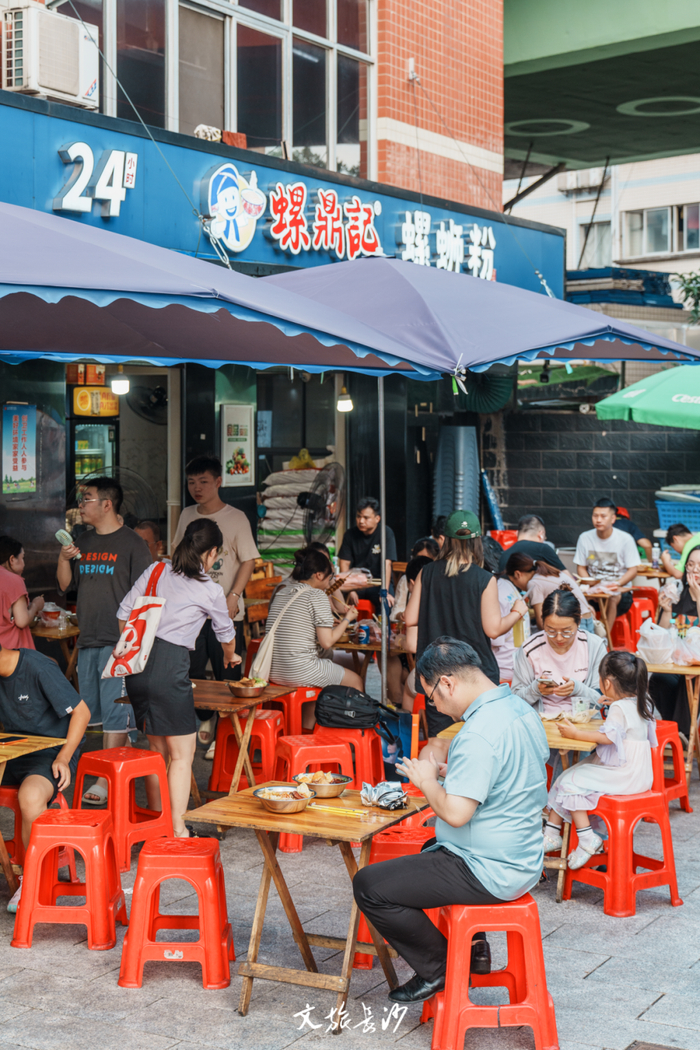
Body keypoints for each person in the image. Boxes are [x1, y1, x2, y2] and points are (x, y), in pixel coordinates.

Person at [352, 637, 549, 1004]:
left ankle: (441, 967)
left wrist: (426, 780)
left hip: (489, 868)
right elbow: (509, 775)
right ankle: (475, 948)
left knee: (369, 885)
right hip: (524, 855)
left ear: (447, 683)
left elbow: (456, 815)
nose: (436, 707)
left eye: (433, 697)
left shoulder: (477, 733)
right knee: (428, 849)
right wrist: (453, 774)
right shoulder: (519, 709)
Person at [117, 518, 239, 837]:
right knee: (182, 756)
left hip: (138, 666)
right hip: (171, 667)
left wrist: (134, 650)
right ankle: (178, 830)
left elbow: (124, 615)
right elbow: (226, 633)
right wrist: (230, 656)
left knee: (156, 750)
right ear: (212, 553)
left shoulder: (156, 570)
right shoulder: (209, 589)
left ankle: (158, 826)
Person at [56, 477, 151, 806]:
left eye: (87, 499)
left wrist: (132, 642)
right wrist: (64, 558)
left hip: (119, 643)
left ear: (107, 504)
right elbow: (66, 586)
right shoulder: (82, 540)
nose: (81, 505)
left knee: (115, 716)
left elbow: (145, 598)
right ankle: (112, 765)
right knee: (92, 714)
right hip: (88, 639)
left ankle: (105, 779)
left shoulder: (133, 544)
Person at [405, 510, 528, 741]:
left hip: (437, 670)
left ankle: (424, 767)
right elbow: (493, 629)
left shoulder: (426, 572)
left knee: (439, 741)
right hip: (474, 673)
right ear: (477, 542)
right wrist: (517, 612)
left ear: (446, 540)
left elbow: (410, 618)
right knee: (479, 738)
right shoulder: (484, 579)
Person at [172, 455, 259, 748]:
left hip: (226, 609)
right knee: (192, 671)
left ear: (218, 482)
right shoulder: (186, 515)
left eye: (204, 482)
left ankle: (225, 733)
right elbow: (177, 555)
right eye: (191, 482)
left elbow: (248, 560)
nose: (196, 488)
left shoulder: (236, 518)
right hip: (191, 613)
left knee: (228, 673)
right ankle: (205, 717)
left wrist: (234, 595)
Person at [543, 650, 655, 870]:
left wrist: (576, 734)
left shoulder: (619, 708)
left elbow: (607, 737)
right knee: (568, 776)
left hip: (624, 775)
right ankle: (552, 833)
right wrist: (612, 703)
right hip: (640, 774)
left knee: (570, 781)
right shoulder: (643, 701)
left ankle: (586, 839)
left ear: (607, 683)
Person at [0, 642, 91, 912]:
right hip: (14, 750)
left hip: (52, 752)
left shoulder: (37, 667)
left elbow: (82, 712)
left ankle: (31, 880)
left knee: (30, 796)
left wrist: (63, 757)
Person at [265, 547, 363, 728]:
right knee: (356, 681)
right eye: (329, 577)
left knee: (318, 682)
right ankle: (353, 735)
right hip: (299, 670)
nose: (330, 582)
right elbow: (327, 642)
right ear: (318, 575)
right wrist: (347, 619)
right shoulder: (316, 595)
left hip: (274, 670)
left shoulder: (283, 591)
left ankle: (306, 731)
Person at [512, 587, 607, 716]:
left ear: (579, 621)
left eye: (567, 632)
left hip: (585, 722)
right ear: (542, 621)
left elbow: (602, 700)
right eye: (550, 631)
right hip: (541, 722)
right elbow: (515, 700)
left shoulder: (594, 647)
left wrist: (578, 689)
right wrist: (535, 689)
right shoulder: (529, 649)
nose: (559, 638)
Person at [649, 546, 700, 739]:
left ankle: (681, 733)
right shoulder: (677, 593)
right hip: (676, 664)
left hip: (696, 670)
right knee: (658, 680)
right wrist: (667, 610)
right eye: (691, 565)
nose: (695, 570)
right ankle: (677, 733)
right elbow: (661, 636)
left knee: (690, 681)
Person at [575, 497, 641, 630]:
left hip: (620, 594)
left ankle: (603, 637)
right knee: (575, 598)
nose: (598, 520)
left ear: (613, 519)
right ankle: (584, 634)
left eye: (603, 516)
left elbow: (633, 570)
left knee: (612, 598)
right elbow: (581, 567)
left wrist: (616, 584)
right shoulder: (585, 538)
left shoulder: (625, 539)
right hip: (593, 591)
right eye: (595, 516)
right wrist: (592, 585)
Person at [387, 555, 433, 704]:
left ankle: (403, 710)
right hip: (455, 662)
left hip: (432, 667)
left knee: (409, 687)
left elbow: (412, 645)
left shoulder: (418, 600)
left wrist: (400, 639)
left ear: (413, 582)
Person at [338, 497, 397, 611]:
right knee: (343, 604)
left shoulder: (386, 533)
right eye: (358, 516)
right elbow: (344, 563)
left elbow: (387, 564)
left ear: (377, 518)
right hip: (356, 583)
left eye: (366, 518)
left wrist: (384, 592)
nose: (361, 521)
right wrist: (350, 590)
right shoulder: (349, 535)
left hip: (379, 583)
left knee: (386, 604)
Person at [492, 551, 536, 681]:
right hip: (513, 665)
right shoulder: (503, 588)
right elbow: (496, 637)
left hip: (507, 667)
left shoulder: (498, 591)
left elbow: (496, 638)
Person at [526, 557, 596, 632]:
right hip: (588, 617)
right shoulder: (554, 572)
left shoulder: (534, 583)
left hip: (573, 621)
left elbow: (541, 624)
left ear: (518, 574)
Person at [0, 536, 44, 650]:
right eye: (22, 558)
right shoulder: (13, 580)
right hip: (8, 652)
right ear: (12, 559)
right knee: (51, 661)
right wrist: (35, 605)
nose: (24, 564)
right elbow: (22, 621)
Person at [496, 514, 566, 574]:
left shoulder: (504, 555)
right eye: (544, 538)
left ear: (517, 534)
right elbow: (567, 578)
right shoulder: (542, 549)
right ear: (541, 534)